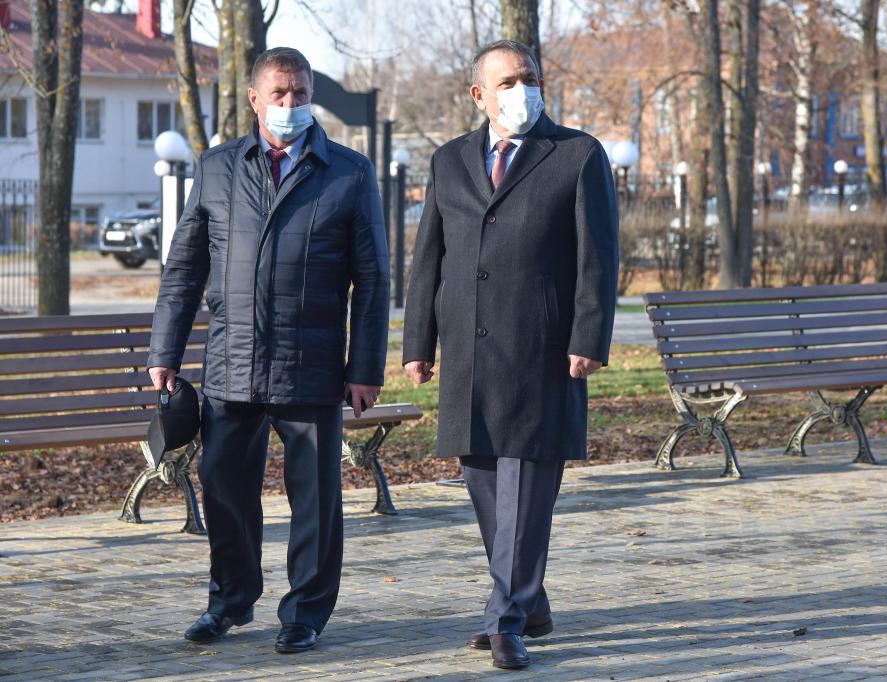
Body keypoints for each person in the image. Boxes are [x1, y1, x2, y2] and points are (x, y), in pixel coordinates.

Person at [147, 47, 389, 654]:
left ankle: (305, 613)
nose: (291, 103)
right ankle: (228, 602)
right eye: (279, 93)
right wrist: (164, 350)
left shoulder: (349, 172)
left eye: (300, 93)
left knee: (316, 501)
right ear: (255, 98)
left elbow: (373, 279)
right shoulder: (218, 167)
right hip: (231, 365)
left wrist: (365, 369)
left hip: (310, 366)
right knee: (224, 492)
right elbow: (184, 268)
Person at [401, 40, 619, 670]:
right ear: (479, 95)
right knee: (487, 488)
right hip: (468, 351)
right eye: (507, 82)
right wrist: (418, 343)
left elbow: (598, 257)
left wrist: (588, 337)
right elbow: (428, 258)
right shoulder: (449, 161)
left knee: (525, 487)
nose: (522, 90)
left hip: (541, 350)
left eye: (530, 78)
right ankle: (531, 602)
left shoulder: (577, 154)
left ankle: (505, 619)